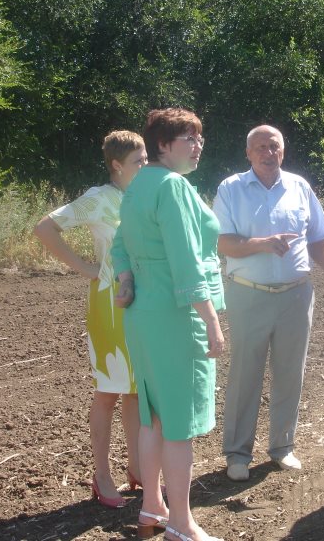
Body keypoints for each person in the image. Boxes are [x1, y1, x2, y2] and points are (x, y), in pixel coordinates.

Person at [213, 124, 324, 482]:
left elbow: (318, 239)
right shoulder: (231, 189)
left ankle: (282, 447)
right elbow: (224, 243)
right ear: (248, 153)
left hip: (296, 295)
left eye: (274, 146)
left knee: (290, 373)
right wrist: (263, 243)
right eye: (260, 147)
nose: (268, 153)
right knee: (245, 375)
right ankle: (237, 453)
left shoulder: (300, 187)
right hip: (248, 293)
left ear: (283, 150)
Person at [111, 108, 225, 541]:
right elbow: (186, 262)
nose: (197, 146)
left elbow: (120, 245)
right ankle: (181, 522)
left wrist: (126, 277)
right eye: (188, 139)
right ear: (162, 145)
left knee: (153, 415)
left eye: (199, 138)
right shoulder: (173, 187)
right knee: (179, 422)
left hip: (144, 315)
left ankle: (152, 507)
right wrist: (211, 319)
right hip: (178, 317)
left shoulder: (139, 185)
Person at [34, 130, 148, 508]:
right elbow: (45, 228)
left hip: (143, 303)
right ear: (117, 165)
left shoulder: (143, 196)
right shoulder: (98, 198)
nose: (146, 165)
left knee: (135, 390)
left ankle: (137, 468)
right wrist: (85, 267)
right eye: (138, 161)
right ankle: (102, 474)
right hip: (109, 303)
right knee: (110, 390)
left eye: (147, 158)